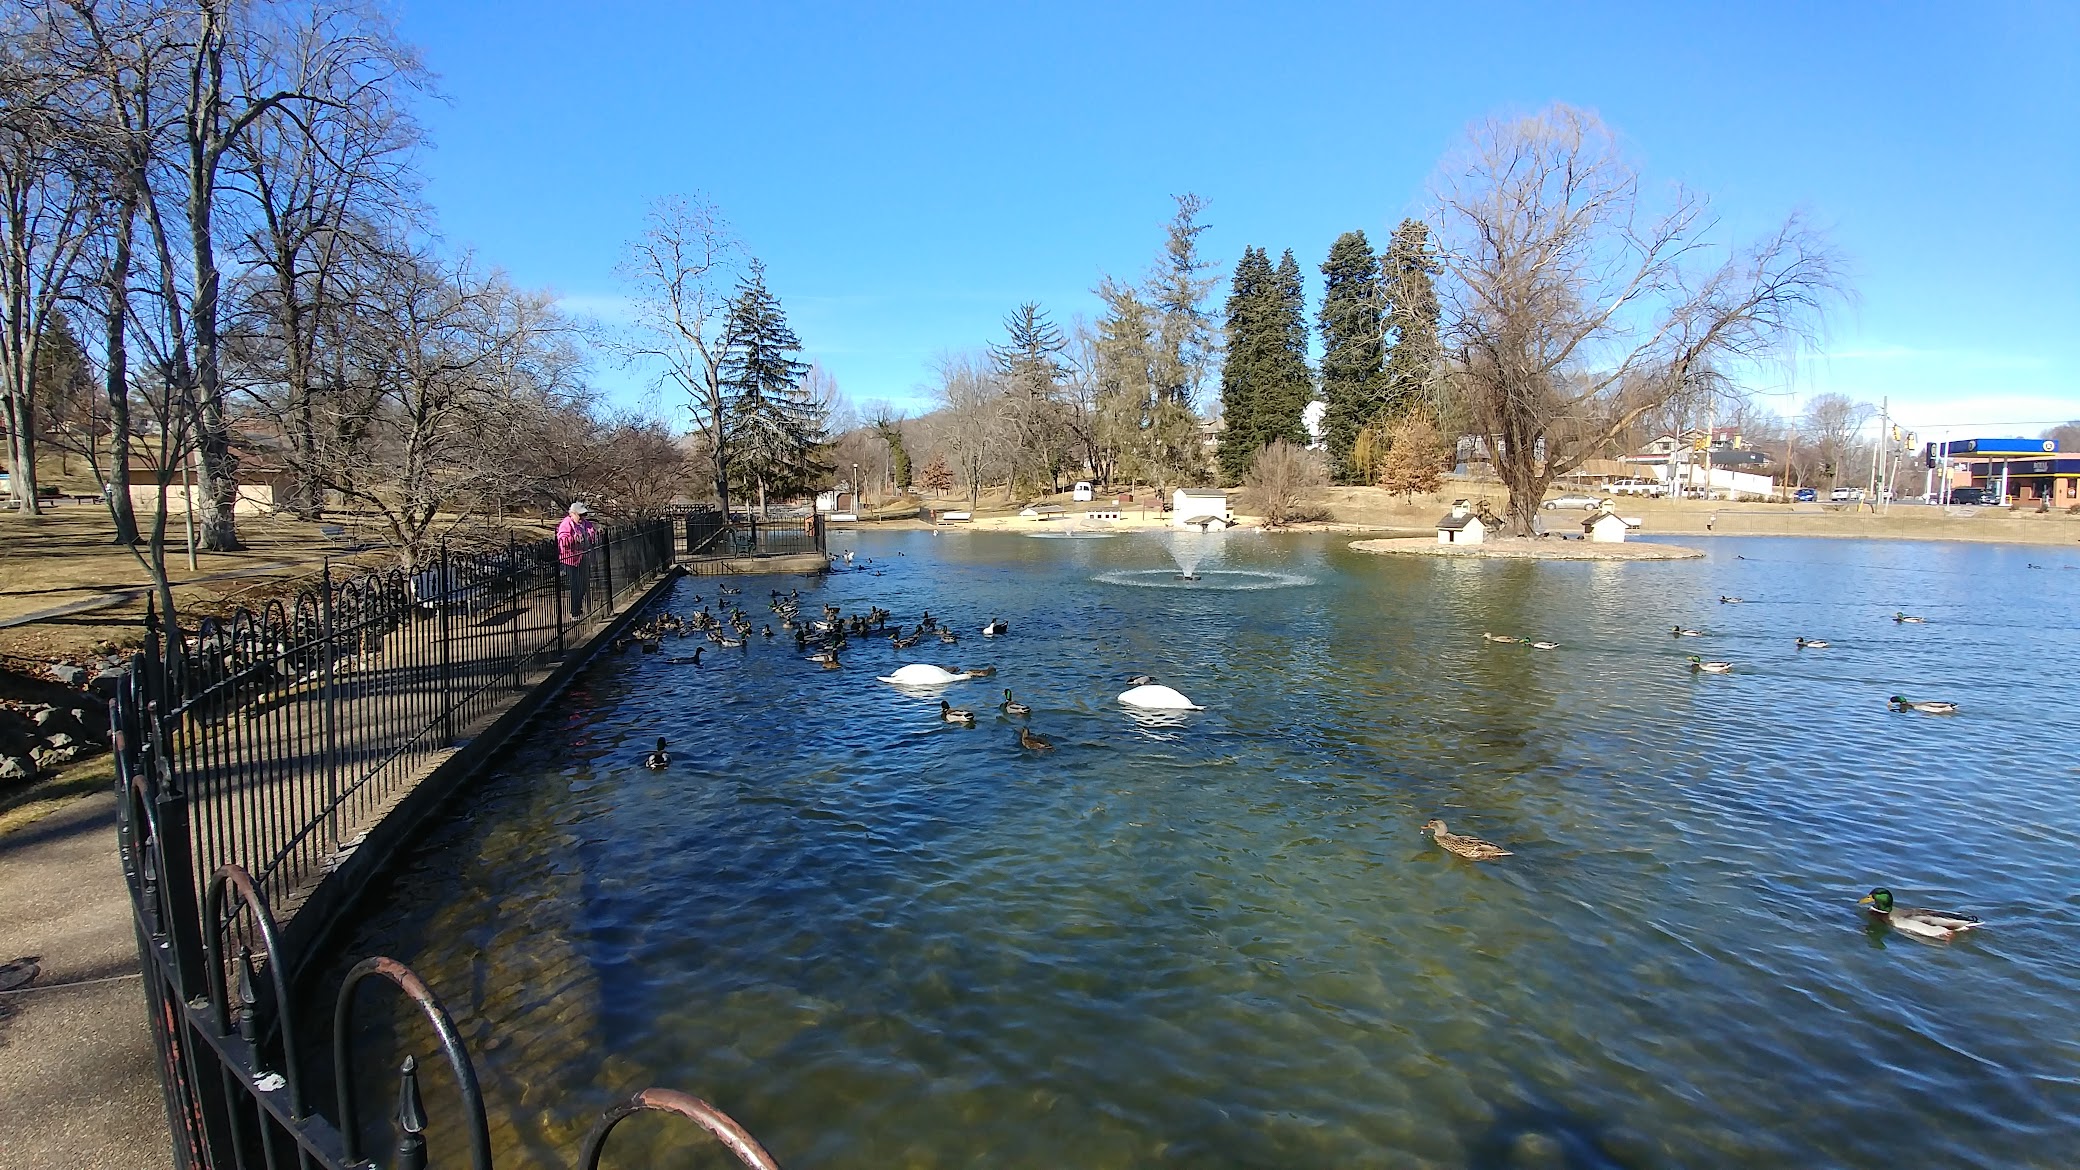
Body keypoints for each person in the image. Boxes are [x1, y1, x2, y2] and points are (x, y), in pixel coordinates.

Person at [557, 502, 600, 617]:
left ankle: (578, 608)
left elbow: (592, 532)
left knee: (583, 585)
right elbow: (562, 540)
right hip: (571, 559)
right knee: (576, 586)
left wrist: (591, 535)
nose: (582, 517)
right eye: (580, 515)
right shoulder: (566, 524)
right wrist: (573, 539)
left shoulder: (585, 523)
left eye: (584, 515)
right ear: (573, 514)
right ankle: (575, 612)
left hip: (583, 557)